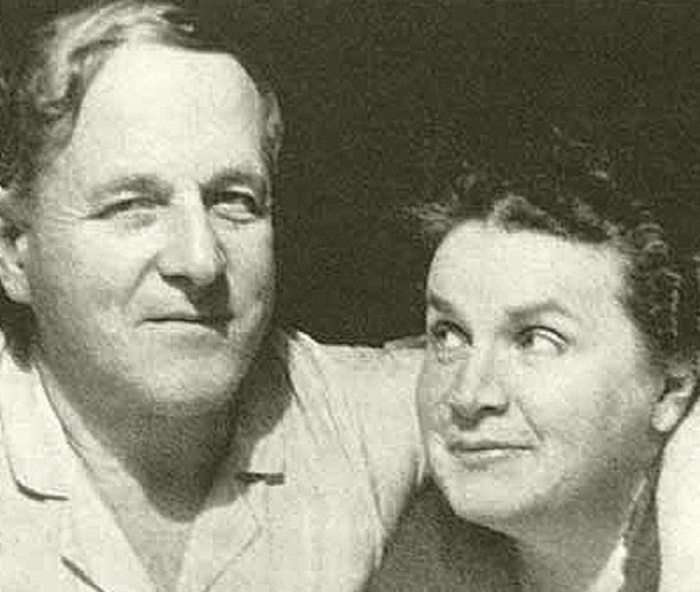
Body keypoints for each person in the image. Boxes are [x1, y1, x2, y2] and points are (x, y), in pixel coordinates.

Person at [0, 2, 422, 590]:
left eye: (234, 201)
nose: (200, 261)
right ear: (13, 249)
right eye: (133, 205)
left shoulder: (368, 420)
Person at [367, 125, 700, 591]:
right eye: (449, 335)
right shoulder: (422, 559)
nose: (468, 396)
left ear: (670, 389)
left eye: (536, 341)